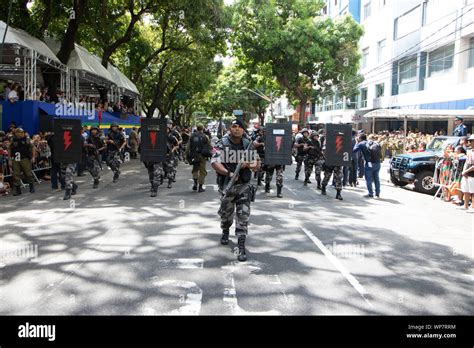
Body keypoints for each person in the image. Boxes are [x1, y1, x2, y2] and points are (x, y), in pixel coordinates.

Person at [211, 119, 260, 262]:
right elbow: (214, 162)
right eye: (234, 126)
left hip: (243, 186)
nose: (237, 129)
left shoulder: (248, 145)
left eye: (239, 127)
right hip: (227, 185)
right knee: (226, 214)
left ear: (243, 130)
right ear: (229, 129)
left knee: (243, 216)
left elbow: (257, 165)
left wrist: (247, 165)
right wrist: (228, 173)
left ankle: (241, 244)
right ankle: (225, 229)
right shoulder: (221, 144)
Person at [9, 128, 36, 196]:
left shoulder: (27, 139)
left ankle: (31, 187)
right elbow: (9, 148)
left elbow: (32, 147)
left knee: (28, 173)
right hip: (16, 159)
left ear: (23, 133)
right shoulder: (13, 139)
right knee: (16, 174)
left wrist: (33, 157)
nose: (19, 133)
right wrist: (9, 159)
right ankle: (18, 190)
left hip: (25, 158)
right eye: (17, 132)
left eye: (20, 132)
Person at [355, 134, 382, 198]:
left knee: (368, 179)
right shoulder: (376, 143)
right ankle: (377, 193)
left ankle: (370, 193)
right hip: (378, 163)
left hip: (369, 163)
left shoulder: (362, 143)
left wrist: (356, 142)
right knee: (376, 178)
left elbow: (354, 150)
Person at [186, 124, 211, 192]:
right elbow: (209, 146)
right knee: (202, 171)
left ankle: (195, 184)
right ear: (203, 129)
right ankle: (200, 187)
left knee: (195, 169)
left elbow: (187, 147)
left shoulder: (192, 136)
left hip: (194, 155)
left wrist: (186, 156)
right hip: (202, 156)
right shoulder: (205, 136)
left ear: (197, 128)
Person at [461, 135, 474, 210]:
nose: (471, 143)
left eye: (472, 141)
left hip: (472, 173)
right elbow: (467, 162)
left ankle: (473, 207)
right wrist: (464, 171)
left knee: (473, 191)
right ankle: (465, 206)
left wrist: (466, 171)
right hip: (467, 171)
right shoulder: (469, 151)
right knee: (466, 190)